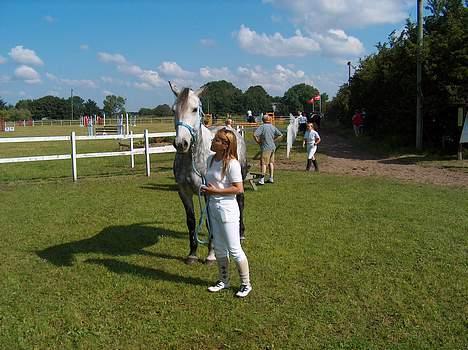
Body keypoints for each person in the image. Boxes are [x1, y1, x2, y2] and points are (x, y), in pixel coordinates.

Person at [201, 128, 252, 298]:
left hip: (227, 210)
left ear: (225, 145)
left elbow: (239, 188)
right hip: (212, 208)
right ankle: (223, 280)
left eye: (216, 139)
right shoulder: (210, 160)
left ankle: (246, 284)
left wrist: (215, 192)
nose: (212, 141)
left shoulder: (232, 164)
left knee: (234, 248)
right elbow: (212, 183)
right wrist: (205, 190)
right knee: (220, 248)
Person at [253, 115, 283, 185]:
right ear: (269, 120)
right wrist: (274, 140)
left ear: (263, 120)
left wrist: (258, 142)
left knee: (263, 163)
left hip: (265, 147)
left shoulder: (262, 127)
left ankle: (262, 179)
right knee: (271, 163)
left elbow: (254, 135)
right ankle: (271, 178)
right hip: (273, 147)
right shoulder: (272, 127)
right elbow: (280, 135)